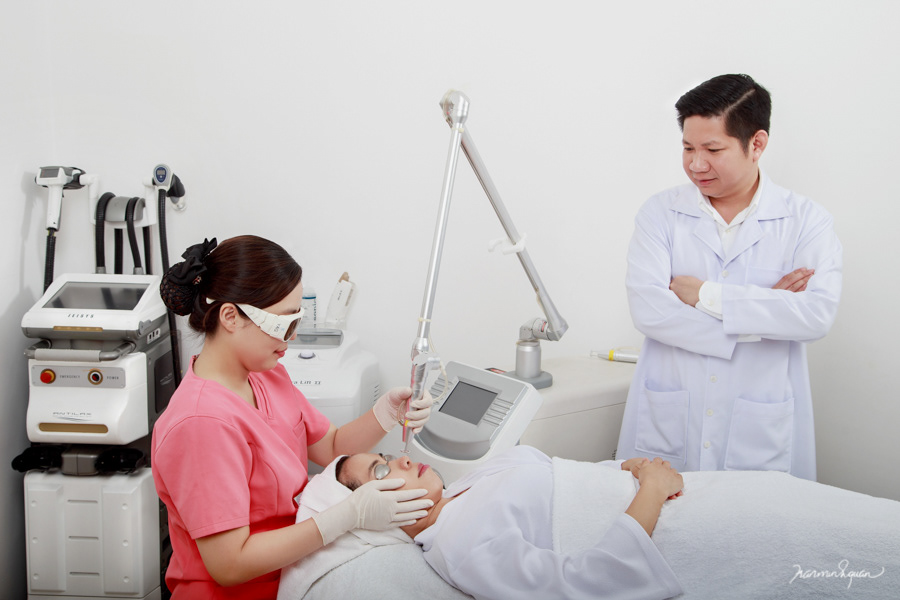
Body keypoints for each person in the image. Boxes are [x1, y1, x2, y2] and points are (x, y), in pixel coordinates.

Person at [151, 235, 435, 599]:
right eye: (283, 323)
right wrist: (347, 516)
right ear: (230, 317)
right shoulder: (200, 424)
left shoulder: (267, 376)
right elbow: (230, 564)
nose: (293, 336)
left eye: (297, 320)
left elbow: (331, 447)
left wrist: (387, 413)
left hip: (293, 579)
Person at [617, 74, 842, 480]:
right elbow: (650, 311)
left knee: (754, 517)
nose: (696, 164)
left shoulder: (806, 221)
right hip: (669, 422)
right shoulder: (660, 214)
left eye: (712, 149)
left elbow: (814, 317)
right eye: (688, 148)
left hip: (760, 424)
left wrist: (707, 295)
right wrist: (765, 311)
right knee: (657, 510)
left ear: (756, 144)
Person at [334, 448, 685, 600]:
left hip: (673, 489)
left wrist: (624, 468)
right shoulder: (461, 546)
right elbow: (586, 586)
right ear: (371, 515)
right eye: (382, 471)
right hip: (675, 526)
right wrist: (653, 490)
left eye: (387, 456)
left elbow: (564, 479)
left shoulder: (464, 486)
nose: (405, 460)